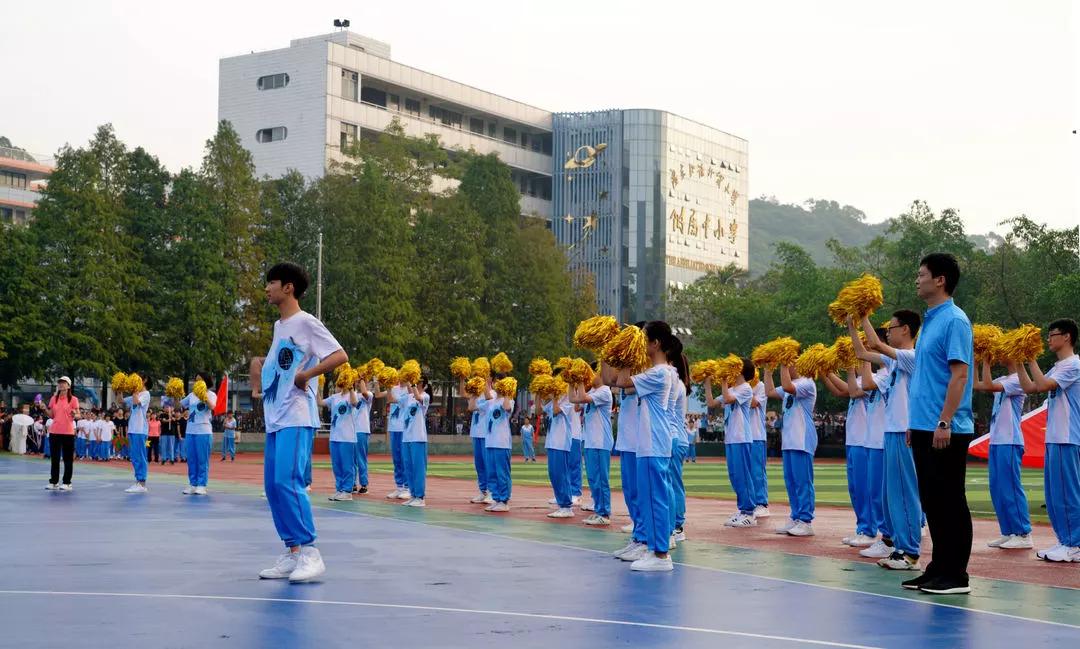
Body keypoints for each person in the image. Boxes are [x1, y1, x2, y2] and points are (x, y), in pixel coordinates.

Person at [251, 262, 347, 583]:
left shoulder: (306, 322)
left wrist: (307, 374)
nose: (267, 288)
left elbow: (339, 355)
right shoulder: (279, 326)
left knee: (288, 481)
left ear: (288, 287)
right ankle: (292, 551)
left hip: (296, 415)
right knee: (273, 486)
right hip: (276, 417)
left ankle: (310, 552)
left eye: (271, 283)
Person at [903, 252, 975, 595]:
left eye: (922, 274)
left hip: (946, 428)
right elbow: (925, 377)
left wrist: (944, 421)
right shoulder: (931, 321)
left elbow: (959, 375)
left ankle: (956, 575)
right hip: (923, 426)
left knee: (950, 500)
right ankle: (938, 568)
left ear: (940, 280)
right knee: (932, 500)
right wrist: (914, 422)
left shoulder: (955, 320)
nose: (917, 280)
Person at [851, 313, 925, 569]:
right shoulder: (894, 362)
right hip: (891, 431)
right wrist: (851, 325)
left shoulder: (912, 356)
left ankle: (911, 553)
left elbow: (875, 344)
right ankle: (897, 546)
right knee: (890, 495)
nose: (888, 332)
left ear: (905, 329)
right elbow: (862, 353)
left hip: (905, 431)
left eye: (891, 328)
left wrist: (863, 316)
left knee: (905, 492)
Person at [613, 321, 678, 571]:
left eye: (643, 340)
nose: (641, 345)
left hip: (654, 442)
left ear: (655, 343)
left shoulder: (659, 373)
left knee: (654, 498)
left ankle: (660, 555)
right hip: (649, 442)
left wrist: (626, 352)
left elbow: (621, 380)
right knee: (651, 498)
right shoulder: (656, 372)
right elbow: (619, 380)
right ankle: (654, 549)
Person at [1016, 318, 1080, 563]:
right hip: (1055, 437)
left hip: (1067, 436)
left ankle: (1075, 544)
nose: (1048, 339)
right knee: (1054, 495)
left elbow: (1042, 385)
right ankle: (1065, 540)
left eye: (1052, 334)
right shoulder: (1058, 367)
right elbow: (1030, 387)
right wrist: (1019, 360)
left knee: (1067, 493)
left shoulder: (1073, 364)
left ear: (1067, 337)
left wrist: (1031, 355)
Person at [974, 354, 1032, 549]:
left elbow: (989, 386)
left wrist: (986, 361)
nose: (1000, 354)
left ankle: (1023, 533)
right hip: (997, 440)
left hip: (1010, 440)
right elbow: (978, 385)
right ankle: (1008, 531)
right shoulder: (1003, 379)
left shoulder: (1018, 379)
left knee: (1010, 487)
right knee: (997, 488)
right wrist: (976, 362)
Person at [763, 356, 817, 537]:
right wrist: (768, 368)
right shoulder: (792, 385)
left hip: (802, 439)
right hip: (789, 440)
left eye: (789, 362)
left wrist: (783, 361)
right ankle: (796, 516)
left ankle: (806, 521)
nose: (787, 366)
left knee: (803, 481)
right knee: (791, 481)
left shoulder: (807, 382)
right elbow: (770, 391)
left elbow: (787, 387)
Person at [823, 364, 874, 547]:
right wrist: (824, 372)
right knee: (854, 488)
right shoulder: (858, 381)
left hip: (863, 440)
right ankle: (862, 528)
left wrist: (840, 370)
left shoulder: (870, 380)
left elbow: (851, 391)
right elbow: (840, 391)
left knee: (863, 488)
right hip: (853, 440)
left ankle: (868, 530)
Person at [705, 358, 757, 528]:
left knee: (743, 475)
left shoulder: (746, 388)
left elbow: (727, 399)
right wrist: (707, 380)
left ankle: (749, 513)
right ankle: (742, 510)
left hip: (742, 437)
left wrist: (723, 379)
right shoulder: (732, 389)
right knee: (735, 475)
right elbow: (712, 403)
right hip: (731, 438)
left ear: (739, 370)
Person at [571, 368, 613, 525]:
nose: (589, 377)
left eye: (592, 373)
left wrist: (581, 379)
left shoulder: (604, 391)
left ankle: (604, 513)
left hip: (600, 442)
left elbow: (582, 398)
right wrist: (571, 383)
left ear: (600, 374)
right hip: (590, 441)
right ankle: (598, 509)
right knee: (593, 478)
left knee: (601, 479)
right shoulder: (593, 391)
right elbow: (575, 403)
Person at [541, 377, 575, 519]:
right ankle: (562, 504)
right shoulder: (556, 399)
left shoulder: (567, 399)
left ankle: (566, 506)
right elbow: (539, 410)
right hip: (552, 441)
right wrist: (539, 392)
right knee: (554, 474)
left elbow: (555, 411)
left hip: (561, 442)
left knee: (561, 474)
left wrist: (555, 396)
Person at [320, 377, 358, 501]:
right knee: (336, 465)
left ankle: (347, 491)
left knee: (347, 465)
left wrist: (351, 388)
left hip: (347, 437)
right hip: (334, 436)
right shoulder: (334, 397)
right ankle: (339, 489)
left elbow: (354, 403)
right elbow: (320, 402)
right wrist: (317, 385)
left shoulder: (353, 395)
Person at [375, 373, 411, 501]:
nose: (400, 377)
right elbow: (378, 395)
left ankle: (408, 488)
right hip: (393, 427)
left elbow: (391, 400)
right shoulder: (394, 388)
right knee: (396, 459)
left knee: (404, 458)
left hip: (404, 428)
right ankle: (399, 487)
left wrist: (409, 382)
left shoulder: (409, 389)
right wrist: (377, 381)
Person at [483, 376, 514, 512]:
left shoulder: (508, 399)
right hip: (490, 441)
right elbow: (483, 398)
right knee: (492, 472)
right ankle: (496, 498)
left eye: (499, 382)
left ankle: (504, 500)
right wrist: (486, 381)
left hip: (502, 442)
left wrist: (507, 391)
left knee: (502, 473)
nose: (497, 384)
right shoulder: (492, 400)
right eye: (495, 382)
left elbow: (507, 408)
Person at [45, 377, 80, 490]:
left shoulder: (73, 399)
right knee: (54, 458)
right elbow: (51, 415)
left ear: (68, 386)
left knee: (67, 459)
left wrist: (74, 414)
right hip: (54, 431)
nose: (61, 384)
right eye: (60, 383)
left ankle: (67, 482)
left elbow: (78, 415)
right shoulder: (53, 399)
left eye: (64, 383)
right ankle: (54, 482)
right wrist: (44, 409)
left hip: (68, 433)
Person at [401, 376, 431, 507]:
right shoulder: (408, 397)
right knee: (409, 468)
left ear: (424, 384)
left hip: (418, 437)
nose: (416, 383)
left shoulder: (425, 396)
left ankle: (420, 497)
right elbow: (392, 399)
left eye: (419, 382)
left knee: (418, 468)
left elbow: (418, 397)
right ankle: (413, 495)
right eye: (415, 381)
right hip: (406, 437)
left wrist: (412, 384)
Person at [122, 378, 152, 494]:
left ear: (144, 381)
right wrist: (119, 390)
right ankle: (138, 481)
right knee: (134, 457)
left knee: (140, 456)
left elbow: (136, 402)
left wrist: (134, 390)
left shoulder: (146, 394)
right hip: (132, 429)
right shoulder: (136, 394)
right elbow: (121, 401)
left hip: (140, 429)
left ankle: (142, 483)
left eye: (140, 380)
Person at [465, 376, 491, 503]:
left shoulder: (492, 394)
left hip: (486, 434)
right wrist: (474, 393)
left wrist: (484, 385)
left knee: (488, 464)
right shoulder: (476, 394)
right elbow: (470, 408)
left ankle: (491, 491)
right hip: (476, 433)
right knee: (479, 465)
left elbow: (489, 401)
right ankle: (483, 490)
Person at [748, 371, 771, 518]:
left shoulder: (760, 386)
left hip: (756, 435)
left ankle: (762, 503)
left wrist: (745, 387)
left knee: (757, 471)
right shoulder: (737, 387)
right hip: (742, 436)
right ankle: (749, 503)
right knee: (745, 473)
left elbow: (754, 403)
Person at [351, 374, 374, 494]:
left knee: (361, 457)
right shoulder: (352, 394)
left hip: (362, 430)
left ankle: (364, 484)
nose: (358, 382)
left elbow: (364, 392)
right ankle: (352, 483)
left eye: (361, 380)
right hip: (350, 430)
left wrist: (361, 380)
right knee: (351, 458)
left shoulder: (369, 394)